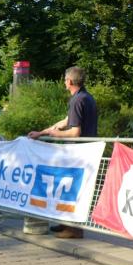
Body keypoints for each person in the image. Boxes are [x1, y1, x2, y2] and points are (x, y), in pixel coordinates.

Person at [27, 65, 98, 239]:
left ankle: (73, 229)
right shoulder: (85, 97)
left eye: (65, 80)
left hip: (78, 152)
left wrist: (54, 134)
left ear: (70, 81)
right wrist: (42, 132)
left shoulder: (77, 100)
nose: (64, 82)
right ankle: (66, 223)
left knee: (73, 189)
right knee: (69, 188)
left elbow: (74, 132)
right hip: (83, 150)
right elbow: (66, 121)